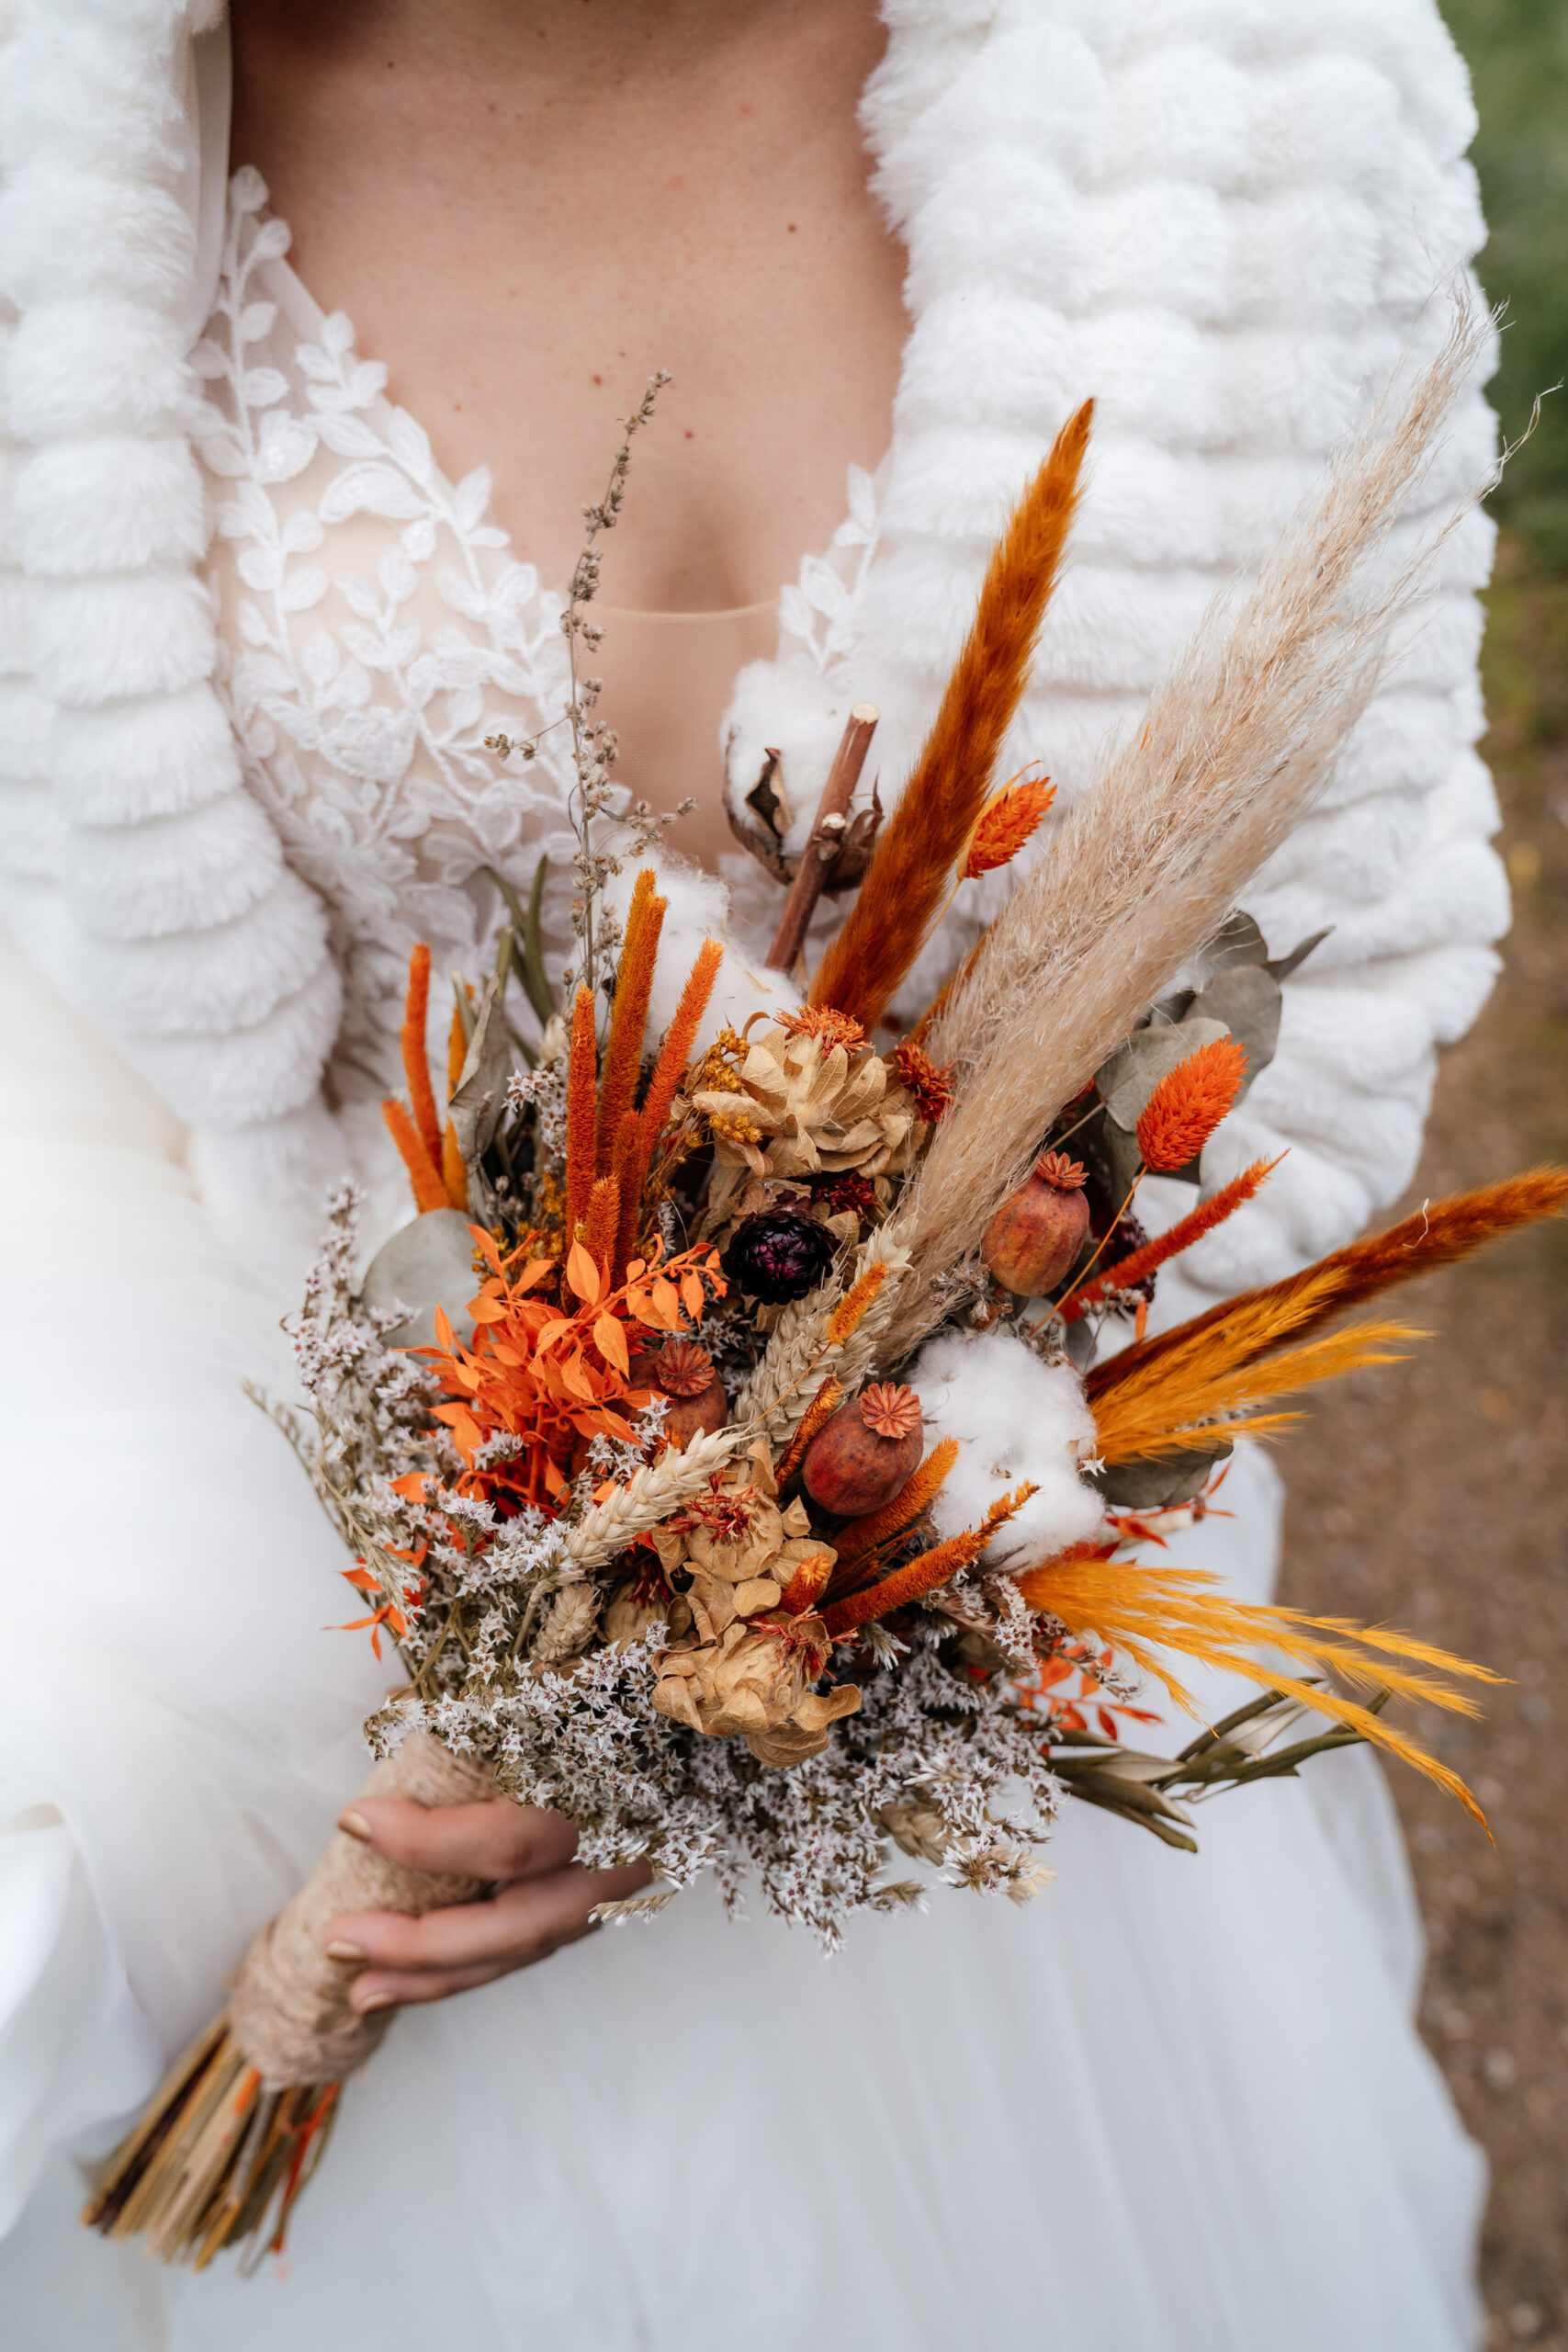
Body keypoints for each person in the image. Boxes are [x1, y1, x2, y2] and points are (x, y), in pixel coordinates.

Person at [0, 2, 1506, 2344]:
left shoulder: (1251, 97)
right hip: (325, 1614)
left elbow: (1356, 926)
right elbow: (72, 981)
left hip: (956, 1648)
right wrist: (485, 1638)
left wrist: (840, 1597)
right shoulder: (63, 137)